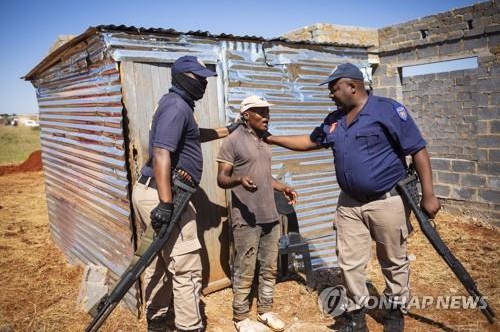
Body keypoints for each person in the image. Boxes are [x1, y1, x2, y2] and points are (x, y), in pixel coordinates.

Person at [266, 63, 441, 332]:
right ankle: (355, 316)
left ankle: (395, 312)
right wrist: (271, 138)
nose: (331, 94)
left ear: (353, 86)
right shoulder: (334, 120)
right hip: (348, 203)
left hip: (387, 200)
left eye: (334, 88)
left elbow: (418, 150)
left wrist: (429, 194)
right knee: (348, 263)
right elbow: (308, 142)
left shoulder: (387, 110)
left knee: (393, 260)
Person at [132, 55, 240, 332]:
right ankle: (189, 327)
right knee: (186, 265)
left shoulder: (177, 105)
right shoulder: (177, 107)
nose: (203, 82)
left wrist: (226, 130)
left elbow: (193, 135)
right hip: (165, 195)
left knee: (161, 260)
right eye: (198, 77)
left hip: (157, 192)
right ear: (181, 76)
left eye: (205, 77)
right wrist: (167, 204)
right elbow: (160, 152)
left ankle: (157, 319)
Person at [216, 95, 298, 332]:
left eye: (267, 112)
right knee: (246, 266)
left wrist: (283, 187)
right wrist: (238, 179)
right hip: (246, 217)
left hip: (269, 215)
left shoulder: (264, 141)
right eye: (260, 112)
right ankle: (241, 317)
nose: (266, 116)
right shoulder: (232, 141)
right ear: (246, 115)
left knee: (269, 266)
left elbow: (264, 177)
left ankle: (265, 310)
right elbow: (221, 178)